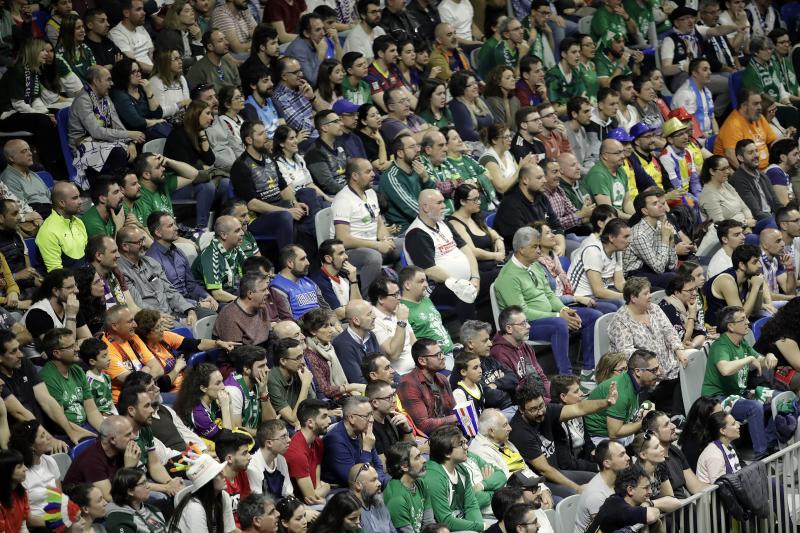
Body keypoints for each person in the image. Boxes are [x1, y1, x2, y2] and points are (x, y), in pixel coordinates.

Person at [496, 226, 600, 377]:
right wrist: (558, 315)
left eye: (539, 246)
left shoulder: (535, 265)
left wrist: (564, 310)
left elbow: (550, 295)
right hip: (525, 325)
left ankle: (588, 371)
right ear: (521, 250)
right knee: (560, 324)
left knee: (593, 316)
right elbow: (522, 314)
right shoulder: (507, 277)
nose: (539, 251)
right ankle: (566, 377)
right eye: (534, 247)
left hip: (550, 315)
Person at [509, 380, 617, 498]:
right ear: (521, 410)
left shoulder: (547, 411)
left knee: (600, 478)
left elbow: (579, 408)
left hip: (557, 471)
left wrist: (607, 402)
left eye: (541, 406)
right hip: (542, 482)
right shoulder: (520, 432)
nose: (540, 412)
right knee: (577, 495)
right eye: (533, 409)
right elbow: (545, 470)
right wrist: (577, 488)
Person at [702, 305, 778, 459]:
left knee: (782, 399)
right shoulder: (721, 345)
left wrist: (769, 356)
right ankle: (762, 456)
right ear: (731, 326)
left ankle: (769, 443)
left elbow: (760, 360)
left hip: (738, 394)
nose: (748, 322)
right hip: (716, 398)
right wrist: (749, 359)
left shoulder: (742, 342)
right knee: (754, 407)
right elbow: (725, 369)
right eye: (743, 319)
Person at [607, 277, 688, 414]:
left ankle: (677, 415)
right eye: (645, 293)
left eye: (649, 292)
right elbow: (626, 352)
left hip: (669, 368)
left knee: (687, 372)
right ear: (633, 298)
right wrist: (652, 365)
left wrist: (678, 349)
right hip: (644, 374)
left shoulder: (654, 309)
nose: (650, 296)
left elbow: (669, 331)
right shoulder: (620, 320)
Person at [230, 121, 303, 253]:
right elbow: (252, 204)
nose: (266, 137)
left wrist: (295, 204)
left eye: (265, 132)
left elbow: (283, 187)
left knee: (306, 202)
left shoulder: (269, 158)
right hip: (257, 218)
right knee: (285, 217)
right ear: (249, 140)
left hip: (280, 208)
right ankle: (289, 261)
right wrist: (287, 211)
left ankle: (309, 257)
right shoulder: (240, 166)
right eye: (261, 134)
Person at [584, 348, 658, 443]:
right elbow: (614, 433)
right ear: (638, 371)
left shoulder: (632, 384)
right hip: (601, 438)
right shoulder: (620, 391)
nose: (658, 373)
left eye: (625, 368)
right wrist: (646, 420)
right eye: (654, 370)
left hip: (619, 434)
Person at [39, 328, 103, 432]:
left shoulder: (77, 370)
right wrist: (90, 435)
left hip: (86, 426)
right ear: (57, 353)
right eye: (71, 346)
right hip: (65, 433)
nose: (77, 348)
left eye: (76, 343)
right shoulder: (48, 378)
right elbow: (60, 422)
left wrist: (104, 432)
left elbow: (92, 410)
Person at [421, 425, 483, 532]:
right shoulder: (433, 477)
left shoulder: (461, 469)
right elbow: (445, 521)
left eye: (465, 442)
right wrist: (481, 527)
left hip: (463, 524)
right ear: (446, 452)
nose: (466, 447)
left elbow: (471, 505)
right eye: (460, 444)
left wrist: (480, 528)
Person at [494, 162, 564, 251]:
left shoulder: (541, 197)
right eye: (539, 178)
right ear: (525, 180)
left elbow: (556, 226)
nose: (545, 180)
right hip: (523, 253)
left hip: (547, 246)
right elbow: (523, 240)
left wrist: (561, 246)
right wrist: (552, 248)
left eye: (544, 176)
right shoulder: (510, 205)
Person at [567, 214, 631, 310]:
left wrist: (633, 291)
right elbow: (598, 291)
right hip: (582, 297)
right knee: (622, 303)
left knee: (635, 299)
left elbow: (619, 282)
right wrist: (627, 296)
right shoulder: (593, 251)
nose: (629, 241)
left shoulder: (617, 250)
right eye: (625, 237)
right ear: (611, 237)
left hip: (599, 294)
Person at [642, 410, 709, 499]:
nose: (673, 426)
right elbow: (669, 500)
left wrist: (721, 487)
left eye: (670, 422)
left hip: (686, 505)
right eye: (666, 425)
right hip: (676, 506)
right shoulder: (654, 462)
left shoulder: (674, 450)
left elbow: (696, 487)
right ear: (654, 434)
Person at [704, 244, 774, 327]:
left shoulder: (747, 278)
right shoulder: (727, 281)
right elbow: (741, 318)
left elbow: (755, 311)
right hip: (714, 329)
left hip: (732, 326)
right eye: (755, 262)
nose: (760, 265)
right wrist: (755, 287)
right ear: (742, 265)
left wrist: (760, 288)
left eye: (759, 261)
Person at [490, 305, 552, 399]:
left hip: (538, 396)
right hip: (526, 401)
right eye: (523, 323)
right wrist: (546, 402)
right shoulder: (499, 354)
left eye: (526, 321)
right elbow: (516, 390)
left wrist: (553, 396)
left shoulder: (525, 346)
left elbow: (541, 376)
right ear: (509, 328)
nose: (528, 326)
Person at [397, 339, 457, 434]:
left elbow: (454, 410)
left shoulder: (442, 379)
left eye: (442, 353)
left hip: (450, 433)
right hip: (430, 439)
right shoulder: (409, 384)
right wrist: (454, 418)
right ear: (422, 361)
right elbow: (423, 425)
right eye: (437, 355)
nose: (443, 357)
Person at [380, 134, 436, 232]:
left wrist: (425, 178)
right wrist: (437, 216)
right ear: (400, 153)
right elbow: (413, 209)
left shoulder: (418, 169)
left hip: (425, 223)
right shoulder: (391, 177)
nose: (418, 150)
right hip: (407, 230)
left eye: (417, 146)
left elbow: (435, 197)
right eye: (412, 147)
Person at [572, 440, 630, 533]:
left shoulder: (618, 482)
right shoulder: (597, 496)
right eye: (621, 455)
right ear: (607, 463)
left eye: (626, 453)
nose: (628, 458)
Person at [715, 89, 777, 172]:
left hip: (765, 169)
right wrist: (748, 175)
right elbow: (730, 156)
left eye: (760, 103)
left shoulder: (759, 117)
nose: (760, 107)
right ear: (744, 106)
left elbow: (773, 141)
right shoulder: (733, 124)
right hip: (743, 173)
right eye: (756, 104)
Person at [283, 399, 332, 504]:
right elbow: (310, 498)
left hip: (316, 497)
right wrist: (327, 486)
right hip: (300, 504)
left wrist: (320, 490)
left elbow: (317, 484)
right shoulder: (296, 453)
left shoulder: (318, 442)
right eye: (324, 416)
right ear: (310, 423)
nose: (329, 421)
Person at [172, 363, 233, 443]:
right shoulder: (198, 413)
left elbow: (233, 426)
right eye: (218, 383)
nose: (223, 387)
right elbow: (227, 441)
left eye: (222, 381)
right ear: (203, 388)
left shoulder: (213, 400)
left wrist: (228, 405)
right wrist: (225, 407)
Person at [23, 268, 89, 341]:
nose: (77, 290)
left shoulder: (70, 305)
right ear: (55, 291)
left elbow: (88, 338)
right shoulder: (38, 314)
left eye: (75, 285)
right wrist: (71, 316)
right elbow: (66, 345)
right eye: (70, 287)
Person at [593, 464, 663, 533]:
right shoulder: (618, 508)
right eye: (646, 488)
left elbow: (671, 502)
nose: (650, 492)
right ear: (630, 490)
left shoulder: (616, 500)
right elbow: (651, 516)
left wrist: (648, 504)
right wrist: (649, 504)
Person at [35, 182, 88, 272]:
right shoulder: (48, 231)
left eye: (79, 197)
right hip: (65, 279)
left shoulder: (79, 222)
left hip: (84, 276)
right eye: (75, 198)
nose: (80, 201)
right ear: (62, 203)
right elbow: (56, 272)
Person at [109, 57, 166, 140]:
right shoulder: (119, 94)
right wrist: (155, 121)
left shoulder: (142, 88)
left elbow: (158, 114)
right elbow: (136, 122)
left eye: (139, 71)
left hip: (153, 128)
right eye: (133, 72)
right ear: (124, 74)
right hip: (137, 136)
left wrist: (149, 92)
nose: (139, 74)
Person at [195, 215, 247, 303]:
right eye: (237, 231)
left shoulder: (235, 249)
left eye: (241, 229)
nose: (242, 233)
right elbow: (218, 294)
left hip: (232, 290)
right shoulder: (209, 256)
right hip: (213, 301)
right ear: (223, 235)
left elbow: (250, 269)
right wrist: (243, 302)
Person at [384, 441, 434, 533]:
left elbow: (429, 525)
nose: (424, 460)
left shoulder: (421, 483)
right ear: (404, 466)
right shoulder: (396, 499)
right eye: (417, 457)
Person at [729, 138, 783, 222]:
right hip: (757, 222)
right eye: (750, 153)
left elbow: (776, 203)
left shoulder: (762, 175)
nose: (756, 155)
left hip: (772, 218)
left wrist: (786, 215)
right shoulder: (738, 180)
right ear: (741, 158)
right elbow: (755, 213)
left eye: (756, 151)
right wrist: (778, 221)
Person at [267, 338, 316, 430]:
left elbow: (312, 404)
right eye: (298, 358)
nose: (302, 362)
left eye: (302, 356)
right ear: (283, 361)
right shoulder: (272, 380)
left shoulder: (298, 371)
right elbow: (292, 419)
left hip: (300, 418)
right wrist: (305, 385)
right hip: (281, 426)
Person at [698, 155, 756, 228]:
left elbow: (744, 207)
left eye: (728, 168)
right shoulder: (708, 195)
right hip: (732, 232)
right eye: (723, 169)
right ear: (712, 171)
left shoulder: (726, 185)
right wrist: (745, 224)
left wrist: (749, 221)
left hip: (747, 225)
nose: (728, 172)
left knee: (768, 222)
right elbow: (720, 225)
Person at [0, 140, 51, 220]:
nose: (30, 154)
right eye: (24, 151)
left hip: (49, 210)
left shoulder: (34, 175)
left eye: (29, 150)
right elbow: (19, 208)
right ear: (11, 158)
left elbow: (49, 196)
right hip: (34, 213)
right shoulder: (8, 178)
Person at [584, 138, 634, 220]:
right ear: (605, 156)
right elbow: (608, 210)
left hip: (621, 219)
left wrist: (638, 217)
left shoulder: (620, 170)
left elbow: (627, 203)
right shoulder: (597, 175)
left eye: (622, 152)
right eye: (618, 153)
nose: (623, 156)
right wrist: (632, 219)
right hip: (606, 221)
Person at [659, 273, 708, 350]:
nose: (695, 293)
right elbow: (683, 341)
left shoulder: (690, 305)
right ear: (677, 293)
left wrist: (693, 345)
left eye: (695, 289)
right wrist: (692, 316)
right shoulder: (668, 308)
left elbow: (701, 332)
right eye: (690, 290)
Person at [482, 122, 530, 196]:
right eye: (506, 137)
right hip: (501, 199)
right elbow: (501, 188)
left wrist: (527, 166)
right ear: (494, 140)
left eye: (510, 136)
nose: (510, 139)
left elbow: (518, 178)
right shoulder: (488, 159)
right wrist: (520, 168)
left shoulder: (508, 153)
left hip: (514, 194)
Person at [248, 420, 293, 499]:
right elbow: (258, 503)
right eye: (283, 437)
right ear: (269, 443)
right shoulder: (253, 466)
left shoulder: (281, 459)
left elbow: (288, 494)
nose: (289, 440)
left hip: (280, 505)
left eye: (288, 435)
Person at [108, 0, 154, 74]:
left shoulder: (139, 27)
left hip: (152, 70)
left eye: (143, 9)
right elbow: (132, 63)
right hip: (138, 74)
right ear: (126, 13)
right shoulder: (116, 34)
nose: (144, 13)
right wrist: (157, 71)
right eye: (138, 9)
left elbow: (151, 51)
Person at [696, 411, 742, 483]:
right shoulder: (714, 455)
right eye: (733, 424)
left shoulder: (728, 446)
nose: (738, 426)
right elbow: (721, 487)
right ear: (723, 431)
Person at [449, 71, 493, 145]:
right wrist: (492, 139)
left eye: (475, 83)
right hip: (474, 145)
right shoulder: (458, 106)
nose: (476, 86)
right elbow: (468, 134)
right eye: (470, 85)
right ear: (461, 88)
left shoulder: (480, 100)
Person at [564, 97, 594, 175]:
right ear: (574, 114)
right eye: (585, 112)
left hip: (584, 174)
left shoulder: (582, 129)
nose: (590, 115)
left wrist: (591, 170)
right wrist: (591, 173)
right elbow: (569, 164)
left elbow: (588, 157)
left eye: (590, 111)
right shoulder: (564, 132)